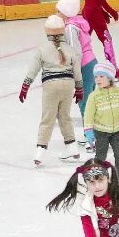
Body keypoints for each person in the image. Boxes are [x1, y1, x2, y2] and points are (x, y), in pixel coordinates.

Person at [20, 14, 83, 165]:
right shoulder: (70, 49)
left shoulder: (41, 50)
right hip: (68, 84)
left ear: (47, 32)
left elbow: (32, 70)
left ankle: (39, 153)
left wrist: (25, 86)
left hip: (51, 86)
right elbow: (77, 71)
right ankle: (73, 148)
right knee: (65, 117)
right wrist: (79, 89)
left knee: (47, 119)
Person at [56, 0, 99, 130]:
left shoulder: (70, 28)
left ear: (65, 13)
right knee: (91, 100)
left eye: (58, 11)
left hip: (83, 66)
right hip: (91, 62)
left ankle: (91, 136)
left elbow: (75, 52)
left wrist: (74, 71)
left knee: (84, 101)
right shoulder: (79, 22)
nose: (56, 14)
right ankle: (97, 131)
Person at [83, 63, 119, 179]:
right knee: (100, 156)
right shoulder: (94, 96)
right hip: (101, 132)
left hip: (118, 131)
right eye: (96, 76)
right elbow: (88, 116)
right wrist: (89, 132)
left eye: (101, 76)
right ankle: (97, 178)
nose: (97, 79)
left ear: (110, 78)